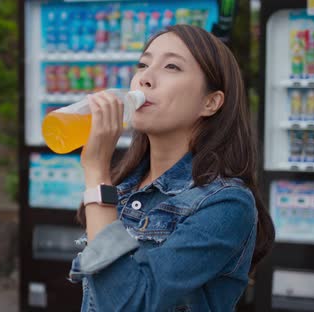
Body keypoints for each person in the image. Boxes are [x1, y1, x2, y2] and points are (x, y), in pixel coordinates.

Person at [68, 25, 275, 312]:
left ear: (210, 102)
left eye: (171, 66)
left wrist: (97, 170)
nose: (145, 78)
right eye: (143, 64)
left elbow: (131, 304)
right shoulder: (126, 186)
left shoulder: (227, 204)